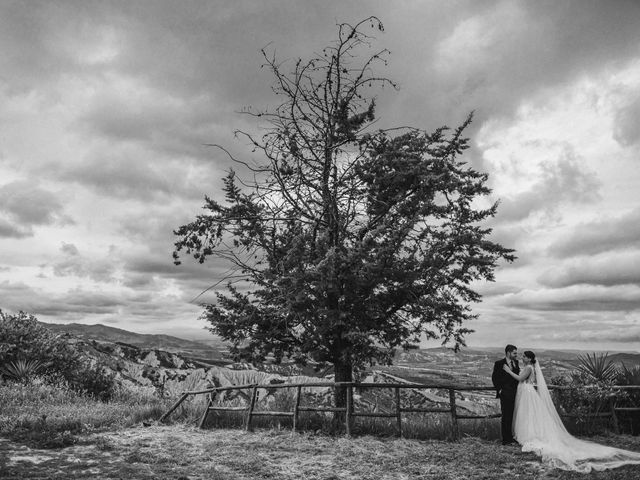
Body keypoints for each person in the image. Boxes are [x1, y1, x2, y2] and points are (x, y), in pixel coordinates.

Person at [503, 350, 640, 472]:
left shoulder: (527, 367)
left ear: (528, 358)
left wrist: (508, 372)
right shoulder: (529, 366)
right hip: (527, 392)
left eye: (524, 356)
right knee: (529, 416)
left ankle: (529, 435)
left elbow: (521, 379)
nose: (522, 357)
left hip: (527, 393)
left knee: (528, 415)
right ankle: (529, 434)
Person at [492, 344, 519, 445]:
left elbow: (516, 376)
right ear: (508, 353)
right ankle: (505, 440)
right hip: (505, 394)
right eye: (514, 353)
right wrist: (499, 390)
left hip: (515, 393)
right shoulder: (499, 363)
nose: (516, 355)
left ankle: (511, 437)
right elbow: (494, 378)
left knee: (512, 416)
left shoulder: (516, 362)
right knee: (505, 416)